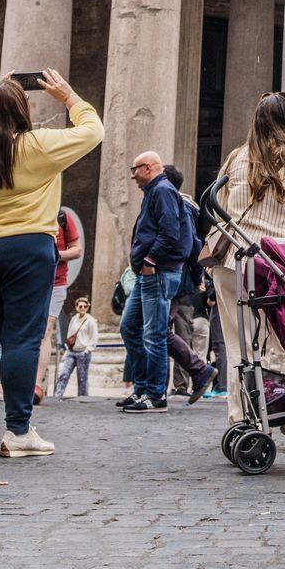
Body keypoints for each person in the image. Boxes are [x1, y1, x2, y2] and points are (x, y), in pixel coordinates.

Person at [0, 70, 104, 457]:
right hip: (28, 249)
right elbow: (93, 130)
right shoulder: (38, 145)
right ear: (22, 111)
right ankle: (18, 432)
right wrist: (68, 96)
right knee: (21, 340)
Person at [206, 92, 285, 428]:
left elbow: (221, 211)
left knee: (239, 343)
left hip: (238, 259)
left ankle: (241, 416)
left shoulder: (237, 159)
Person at [116, 151, 190, 414]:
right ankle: (142, 388)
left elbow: (170, 232)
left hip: (157, 273)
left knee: (154, 334)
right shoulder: (155, 192)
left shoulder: (162, 191)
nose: (133, 175)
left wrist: (150, 259)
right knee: (129, 327)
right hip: (147, 274)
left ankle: (156, 394)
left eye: (134, 169)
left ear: (147, 168)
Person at [160, 164, 216, 404]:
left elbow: (188, 246)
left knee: (158, 331)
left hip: (171, 277)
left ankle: (159, 386)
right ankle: (176, 382)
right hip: (182, 281)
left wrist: (147, 258)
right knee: (166, 332)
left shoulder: (175, 205)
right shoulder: (186, 208)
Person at [34, 206, 83, 404]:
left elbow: (77, 250)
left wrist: (55, 255)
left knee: (46, 330)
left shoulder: (62, 217)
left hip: (56, 282)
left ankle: (36, 384)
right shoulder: (29, 210)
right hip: (28, 281)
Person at [53, 297, 98, 397]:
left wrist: (88, 350)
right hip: (71, 351)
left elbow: (94, 337)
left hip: (83, 352)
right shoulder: (74, 319)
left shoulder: (90, 321)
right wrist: (67, 346)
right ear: (77, 307)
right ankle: (57, 395)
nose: (83, 308)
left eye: (85, 306)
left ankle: (82, 398)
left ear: (87, 307)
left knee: (82, 378)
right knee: (63, 374)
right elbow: (70, 333)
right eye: (80, 306)